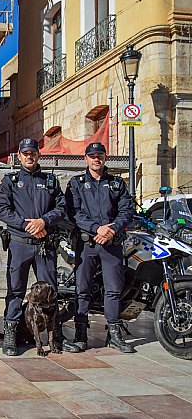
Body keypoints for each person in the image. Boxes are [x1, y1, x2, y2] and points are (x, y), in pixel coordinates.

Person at [0, 138, 80, 356]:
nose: (29, 156)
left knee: (51, 292)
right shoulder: (10, 181)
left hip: (45, 245)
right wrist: (28, 226)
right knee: (15, 290)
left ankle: (57, 337)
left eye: (33, 152)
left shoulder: (50, 181)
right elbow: (3, 211)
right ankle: (11, 333)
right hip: (20, 243)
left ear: (38, 155)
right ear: (20, 156)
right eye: (25, 153)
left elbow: (61, 208)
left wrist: (44, 221)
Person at [66, 142, 135, 353]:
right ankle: (80, 335)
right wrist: (97, 228)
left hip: (111, 244)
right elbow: (73, 212)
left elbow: (127, 211)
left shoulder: (116, 183)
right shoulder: (76, 183)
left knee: (113, 290)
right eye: (92, 156)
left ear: (105, 158)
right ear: (85, 159)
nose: (96, 159)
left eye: (100, 155)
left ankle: (114, 334)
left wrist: (112, 229)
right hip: (87, 244)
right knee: (82, 290)